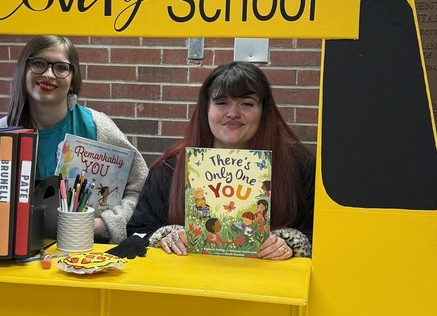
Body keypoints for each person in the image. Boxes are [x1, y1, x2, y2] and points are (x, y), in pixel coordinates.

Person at [126, 61, 314, 260]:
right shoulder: (169, 169)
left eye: (247, 103)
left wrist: (291, 243)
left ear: (264, 111)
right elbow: (137, 233)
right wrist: (164, 238)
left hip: (268, 279)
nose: (233, 113)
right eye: (222, 102)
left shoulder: (298, 166)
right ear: (206, 108)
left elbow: (324, 237)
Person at [0, 34, 147, 244]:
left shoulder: (96, 127)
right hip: (14, 252)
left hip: (86, 253)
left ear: (73, 79)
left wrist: (105, 224)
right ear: (23, 70)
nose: (48, 74)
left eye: (61, 67)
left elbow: (141, 187)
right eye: (38, 63)